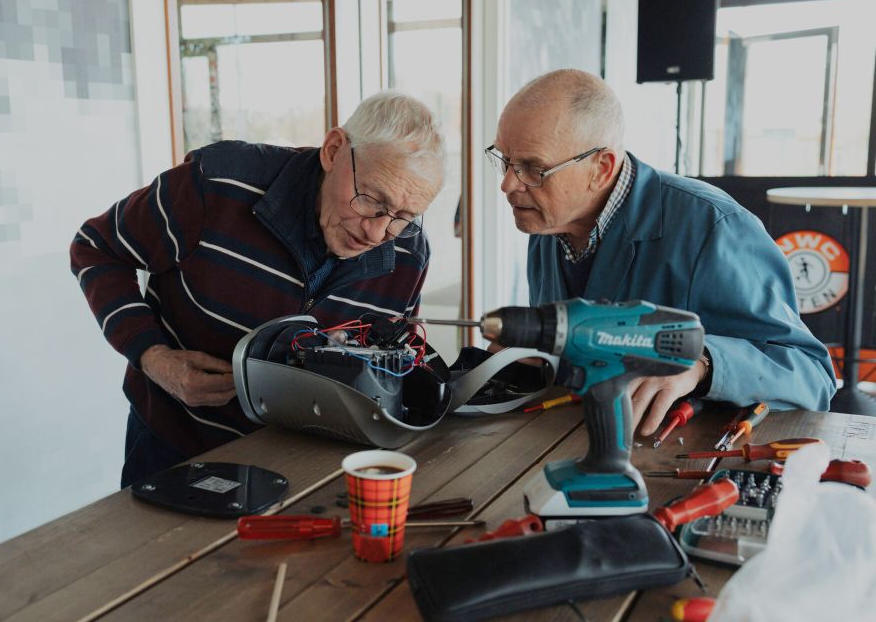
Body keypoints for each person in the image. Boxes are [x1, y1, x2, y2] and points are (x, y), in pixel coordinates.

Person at [71, 92, 445, 487]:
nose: (376, 232)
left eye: (402, 217)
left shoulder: (407, 253)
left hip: (307, 462)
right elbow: (95, 247)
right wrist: (154, 357)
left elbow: (388, 361)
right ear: (334, 151)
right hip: (174, 443)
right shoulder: (215, 185)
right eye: (370, 199)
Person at [486, 69, 835, 435]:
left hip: (685, 455)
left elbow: (812, 377)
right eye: (505, 160)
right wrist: (538, 354)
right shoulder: (549, 222)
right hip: (583, 438)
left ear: (601, 168)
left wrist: (702, 366)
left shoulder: (713, 228)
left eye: (533, 168)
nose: (508, 183)